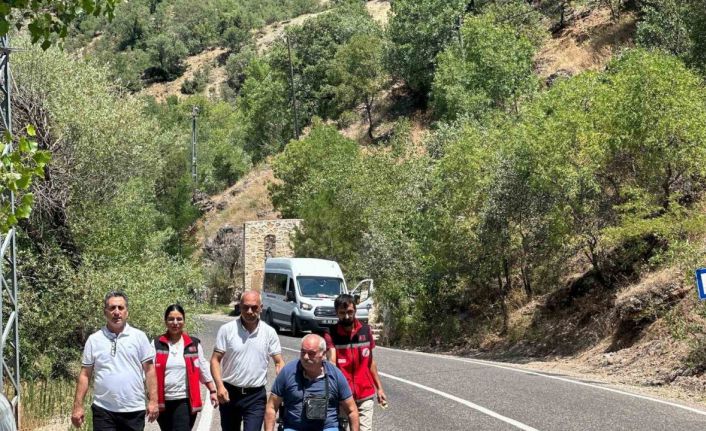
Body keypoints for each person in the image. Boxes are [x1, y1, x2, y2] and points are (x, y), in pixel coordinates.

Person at [71, 291, 158, 431]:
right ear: (105, 312)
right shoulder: (94, 340)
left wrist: (154, 401)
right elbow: (85, 374)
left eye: (120, 308)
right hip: (103, 410)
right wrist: (77, 406)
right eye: (112, 308)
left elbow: (150, 371)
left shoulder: (139, 337)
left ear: (127, 312)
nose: (116, 312)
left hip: (134, 410)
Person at [210, 290, 285, 431]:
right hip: (229, 393)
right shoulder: (227, 330)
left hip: (255, 397)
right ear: (240, 307)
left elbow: (279, 361)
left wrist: (281, 378)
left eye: (254, 307)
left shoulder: (269, 332)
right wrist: (219, 386)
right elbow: (215, 360)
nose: (250, 311)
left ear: (261, 307)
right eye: (245, 307)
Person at [264, 334, 360, 431]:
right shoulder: (287, 372)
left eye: (311, 353)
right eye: (303, 352)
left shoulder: (335, 375)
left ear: (323, 354)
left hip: (327, 427)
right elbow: (271, 407)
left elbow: (352, 410)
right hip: (295, 427)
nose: (305, 357)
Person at [323, 294, 386, 431]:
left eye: (350, 312)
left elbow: (370, 361)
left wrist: (379, 388)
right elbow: (331, 361)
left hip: (365, 394)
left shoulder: (365, 330)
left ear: (355, 310)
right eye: (342, 313)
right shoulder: (330, 333)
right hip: (342, 397)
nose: (346, 316)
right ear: (336, 313)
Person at [154, 304, 218, 431]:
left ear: (184, 321)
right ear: (165, 322)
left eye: (179, 319)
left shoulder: (193, 344)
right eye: (171, 319)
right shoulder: (156, 344)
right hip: (162, 402)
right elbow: (148, 371)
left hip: (185, 401)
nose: (175, 323)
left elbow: (202, 368)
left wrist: (212, 390)